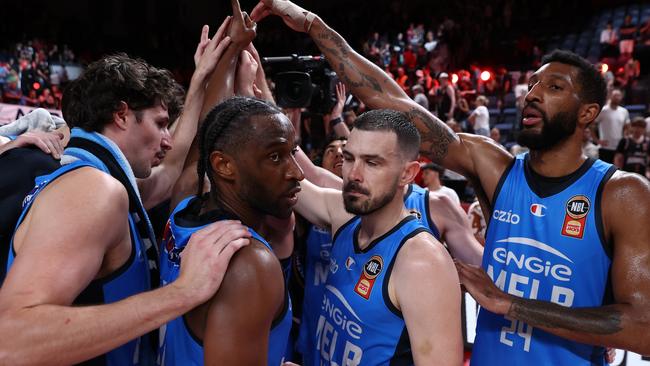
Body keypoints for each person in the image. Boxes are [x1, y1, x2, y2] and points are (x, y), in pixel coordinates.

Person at [251, 2, 650, 363]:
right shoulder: (496, 168)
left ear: (588, 113)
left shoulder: (622, 193)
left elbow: (643, 328)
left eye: (554, 88)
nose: (533, 94)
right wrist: (316, 26)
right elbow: (395, 104)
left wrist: (509, 304)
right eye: (532, 84)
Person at [0, 21, 250, 365]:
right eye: (161, 123)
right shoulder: (94, 190)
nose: (168, 139)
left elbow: (169, 171)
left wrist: (201, 81)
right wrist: (182, 293)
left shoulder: (87, 169)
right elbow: (10, 340)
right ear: (121, 115)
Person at [160, 97, 299, 365]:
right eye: (275, 156)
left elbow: (200, 153)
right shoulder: (248, 264)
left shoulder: (183, 208)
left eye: (293, 152)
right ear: (223, 166)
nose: (298, 172)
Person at [596, 89, 630, 163]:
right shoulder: (603, 110)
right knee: (605, 171)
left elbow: (627, 126)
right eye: (615, 95)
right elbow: (591, 125)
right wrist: (596, 140)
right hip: (605, 147)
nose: (617, 97)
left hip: (619, 147)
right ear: (610, 96)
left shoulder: (624, 111)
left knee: (617, 171)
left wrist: (625, 138)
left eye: (619, 96)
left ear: (621, 97)